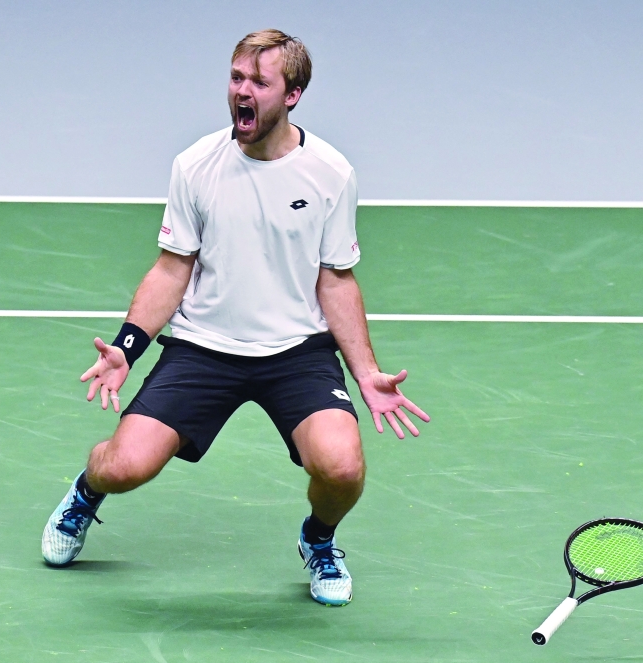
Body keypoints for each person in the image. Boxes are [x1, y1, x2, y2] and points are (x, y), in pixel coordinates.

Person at [42, 28, 429, 607]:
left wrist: (365, 371)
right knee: (123, 467)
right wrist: (128, 345)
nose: (241, 92)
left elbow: (336, 278)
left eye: (259, 82)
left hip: (297, 352)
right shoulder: (197, 165)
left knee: (343, 468)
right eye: (236, 78)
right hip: (204, 346)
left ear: (292, 94)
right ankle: (85, 492)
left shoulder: (330, 173)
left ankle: (319, 539)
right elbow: (173, 269)